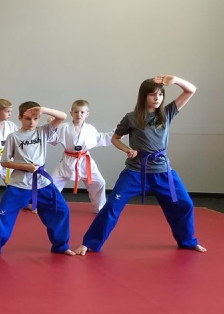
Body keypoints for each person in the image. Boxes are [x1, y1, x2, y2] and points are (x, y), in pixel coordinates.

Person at [76, 76, 205, 254]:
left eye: (160, 94)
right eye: (153, 94)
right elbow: (115, 138)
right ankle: (90, 242)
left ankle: (187, 241)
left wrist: (174, 80)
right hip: (135, 172)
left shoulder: (167, 113)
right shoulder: (131, 118)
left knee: (185, 204)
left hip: (162, 171)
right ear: (143, 96)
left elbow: (191, 90)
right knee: (112, 205)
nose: (157, 98)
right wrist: (126, 149)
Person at [0, 102, 72, 256]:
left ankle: (60, 246)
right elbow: (4, 162)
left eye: (36, 119)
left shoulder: (43, 131)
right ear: (20, 118)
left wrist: (43, 109)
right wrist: (25, 167)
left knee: (62, 210)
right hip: (19, 184)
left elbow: (63, 116)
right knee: (2, 213)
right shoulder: (13, 137)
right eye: (28, 119)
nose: (32, 122)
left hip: (42, 183)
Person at [49, 100, 112, 213]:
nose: (79, 114)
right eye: (76, 112)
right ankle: (46, 206)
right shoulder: (63, 127)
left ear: (87, 114)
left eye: (82, 112)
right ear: (71, 113)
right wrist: (51, 126)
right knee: (51, 183)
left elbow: (100, 139)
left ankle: (99, 208)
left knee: (99, 182)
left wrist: (118, 133)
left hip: (85, 161)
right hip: (68, 160)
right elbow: (52, 138)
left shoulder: (90, 129)